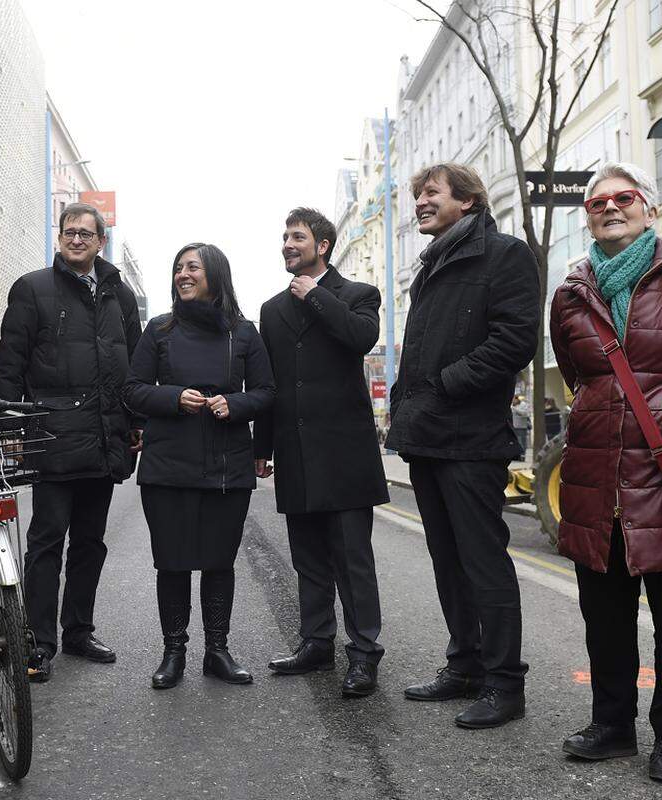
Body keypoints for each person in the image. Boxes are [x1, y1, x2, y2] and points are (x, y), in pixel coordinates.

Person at [550, 162, 662, 783]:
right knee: (605, 619)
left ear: (648, 209)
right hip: (595, 476)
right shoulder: (570, 293)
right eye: (597, 203)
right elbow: (578, 377)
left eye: (623, 198)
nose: (609, 208)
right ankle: (612, 727)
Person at [385, 162, 539, 729]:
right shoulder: (432, 264)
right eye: (418, 196)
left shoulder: (504, 254)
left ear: (468, 201)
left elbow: (515, 341)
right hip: (427, 435)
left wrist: (445, 384)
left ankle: (504, 685)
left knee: (482, 563)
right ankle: (465, 666)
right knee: (448, 562)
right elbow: (418, 351)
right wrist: (405, 402)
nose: (421, 203)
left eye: (431, 194)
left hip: (472, 438)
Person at [0, 202, 142, 681]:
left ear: (101, 241)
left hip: (104, 436)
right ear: (59, 237)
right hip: (52, 436)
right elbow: (10, 366)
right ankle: (39, 641)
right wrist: (13, 431)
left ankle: (78, 629)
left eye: (85, 233)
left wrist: (135, 421)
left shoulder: (119, 294)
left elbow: (136, 366)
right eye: (68, 231)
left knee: (90, 543)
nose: (76, 239)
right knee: (46, 542)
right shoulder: (32, 288)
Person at [123, 243, 274, 689]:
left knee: (218, 561)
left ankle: (217, 651)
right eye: (178, 269)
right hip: (167, 465)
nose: (183, 275)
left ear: (216, 275)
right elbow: (131, 390)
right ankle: (173, 653)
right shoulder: (159, 330)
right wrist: (173, 397)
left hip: (226, 465)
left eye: (193, 268)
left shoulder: (243, 332)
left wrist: (236, 402)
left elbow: (267, 392)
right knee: (172, 563)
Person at [254, 208, 390, 698]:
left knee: (352, 560)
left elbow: (360, 338)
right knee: (308, 558)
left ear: (323, 245)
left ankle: (364, 654)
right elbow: (269, 384)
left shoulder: (357, 295)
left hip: (345, 454)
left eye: (297, 236)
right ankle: (316, 642)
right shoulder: (270, 310)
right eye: (284, 236)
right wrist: (262, 447)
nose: (288, 244)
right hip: (295, 453)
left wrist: (316, 295)